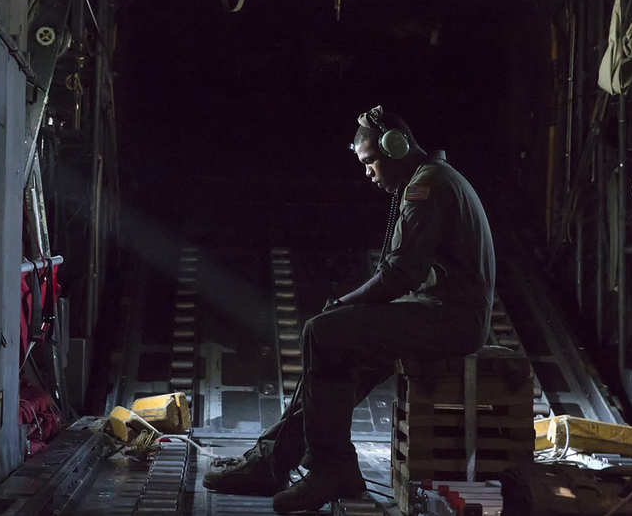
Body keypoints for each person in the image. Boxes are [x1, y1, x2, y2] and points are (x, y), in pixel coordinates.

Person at [202, 105, 496, 514]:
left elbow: (399, 276)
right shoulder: (433, 179)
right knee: (338, 359)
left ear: (396, 148)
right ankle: (274, 460)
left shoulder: (425, 188)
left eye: (371, 161)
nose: (368, 172)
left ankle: (330, 468)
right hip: (444, 313)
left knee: (321, 332)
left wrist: (342, 305)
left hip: (451, 320)